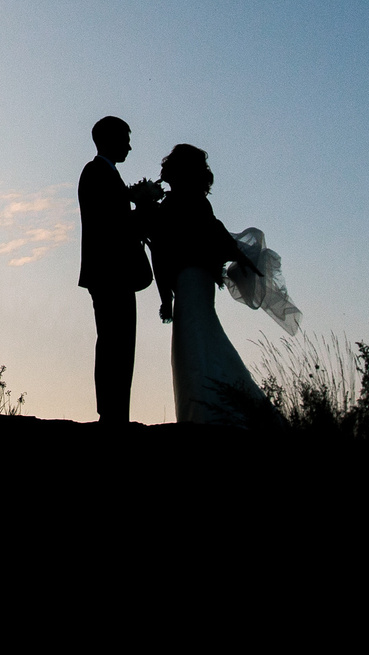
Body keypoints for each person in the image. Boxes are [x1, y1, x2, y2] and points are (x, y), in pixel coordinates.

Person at [146, 143, 268, 426]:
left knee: (195, 342)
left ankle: (205, 414)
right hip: (194, 281)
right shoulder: (193, 203)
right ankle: (211, 408)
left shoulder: (177, 205)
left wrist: (166, 298)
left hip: (191, 281)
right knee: (199, 340)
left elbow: (164, 252)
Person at [74, 116, 162, 424]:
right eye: (125, 138)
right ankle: (111, 414)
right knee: (115, 343)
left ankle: (115, 412)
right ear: (109, 139)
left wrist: (136, 203)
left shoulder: (106, 175)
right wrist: (144, 205)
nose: (129, 145)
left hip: (113, 273)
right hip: (110, 273)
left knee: (119, 343)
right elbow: (114, 226)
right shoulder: (96, 172)